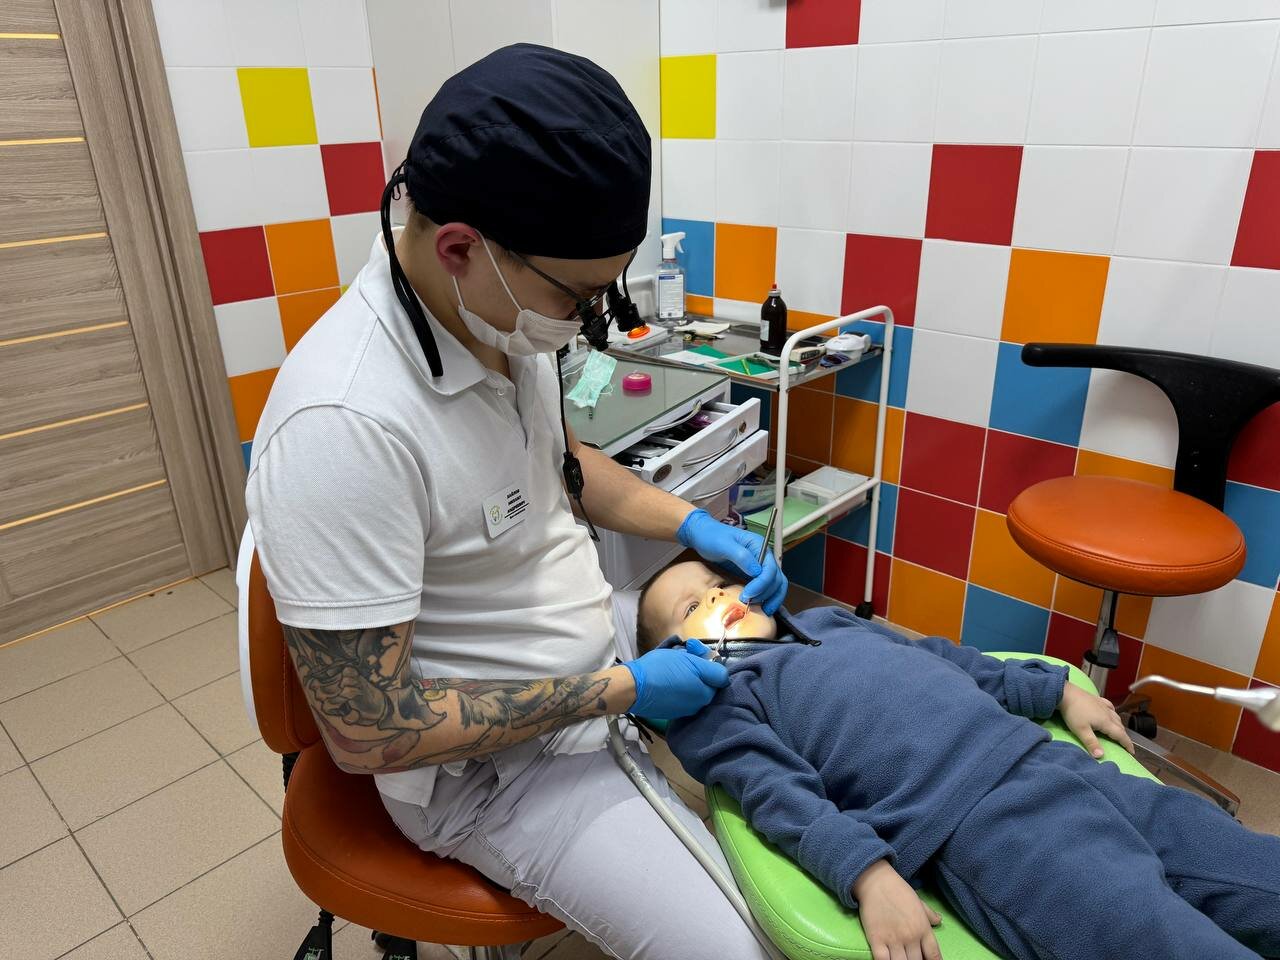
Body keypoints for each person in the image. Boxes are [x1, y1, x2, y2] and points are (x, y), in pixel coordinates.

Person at [245, 44, 787, 960]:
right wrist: (625, 689)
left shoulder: (491, 316)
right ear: (461, 247)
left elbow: (560, 465)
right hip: (489, 770)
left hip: (591, 650)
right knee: (748, 950)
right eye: (579, 295)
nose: (588, 321)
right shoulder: (344, 424)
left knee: (812, 688)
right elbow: (371, 732)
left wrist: (694, 525)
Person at [638, 561, 1280, 960]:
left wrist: (1055, 691)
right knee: (1156, 936)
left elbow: (946, 659)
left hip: (1051, 759)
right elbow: (776, 796)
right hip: (989, 830)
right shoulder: (719, 703)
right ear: (668, 656)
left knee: (1246, 867)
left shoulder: (830, 621)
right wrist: (866, 874)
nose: (719, 598)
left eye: (718, 583)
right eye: (692, 608)